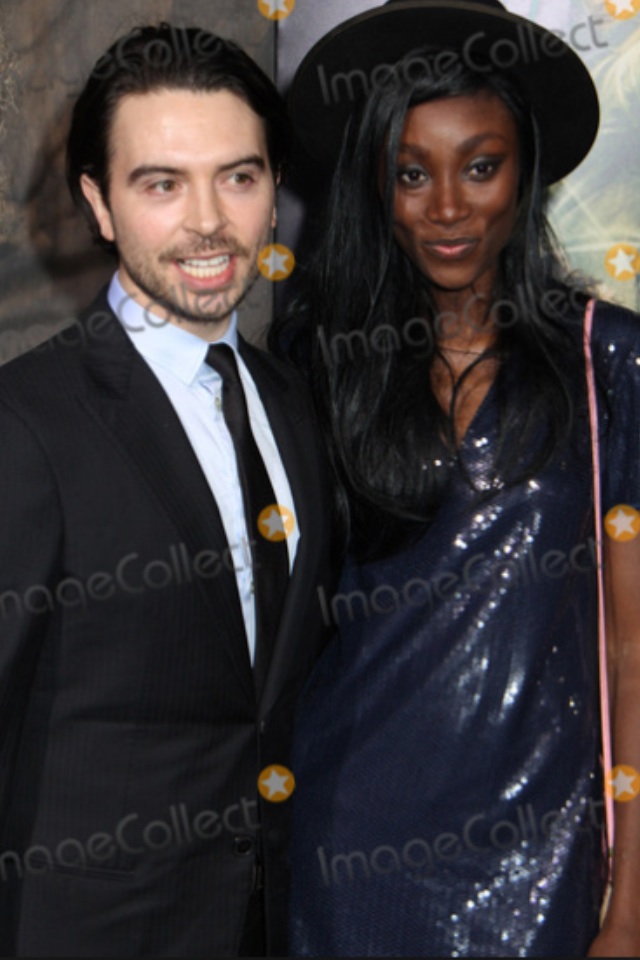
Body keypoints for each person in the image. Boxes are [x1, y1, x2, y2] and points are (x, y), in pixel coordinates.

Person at [275, 0, 640, 956]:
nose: (446, 206)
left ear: (525, 176)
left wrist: (631, 902)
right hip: (343, 847)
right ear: (375, 188)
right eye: (410, 173)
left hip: (542, 853)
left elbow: (633, 654)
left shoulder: (610, 362)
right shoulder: (319, 361)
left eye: (481, 166)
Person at [0, 23, 335, 958]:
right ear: (98, 205)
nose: (208, 223)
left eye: (239, 176)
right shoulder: (24, 426)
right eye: (162, 184)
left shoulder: (288, 399)